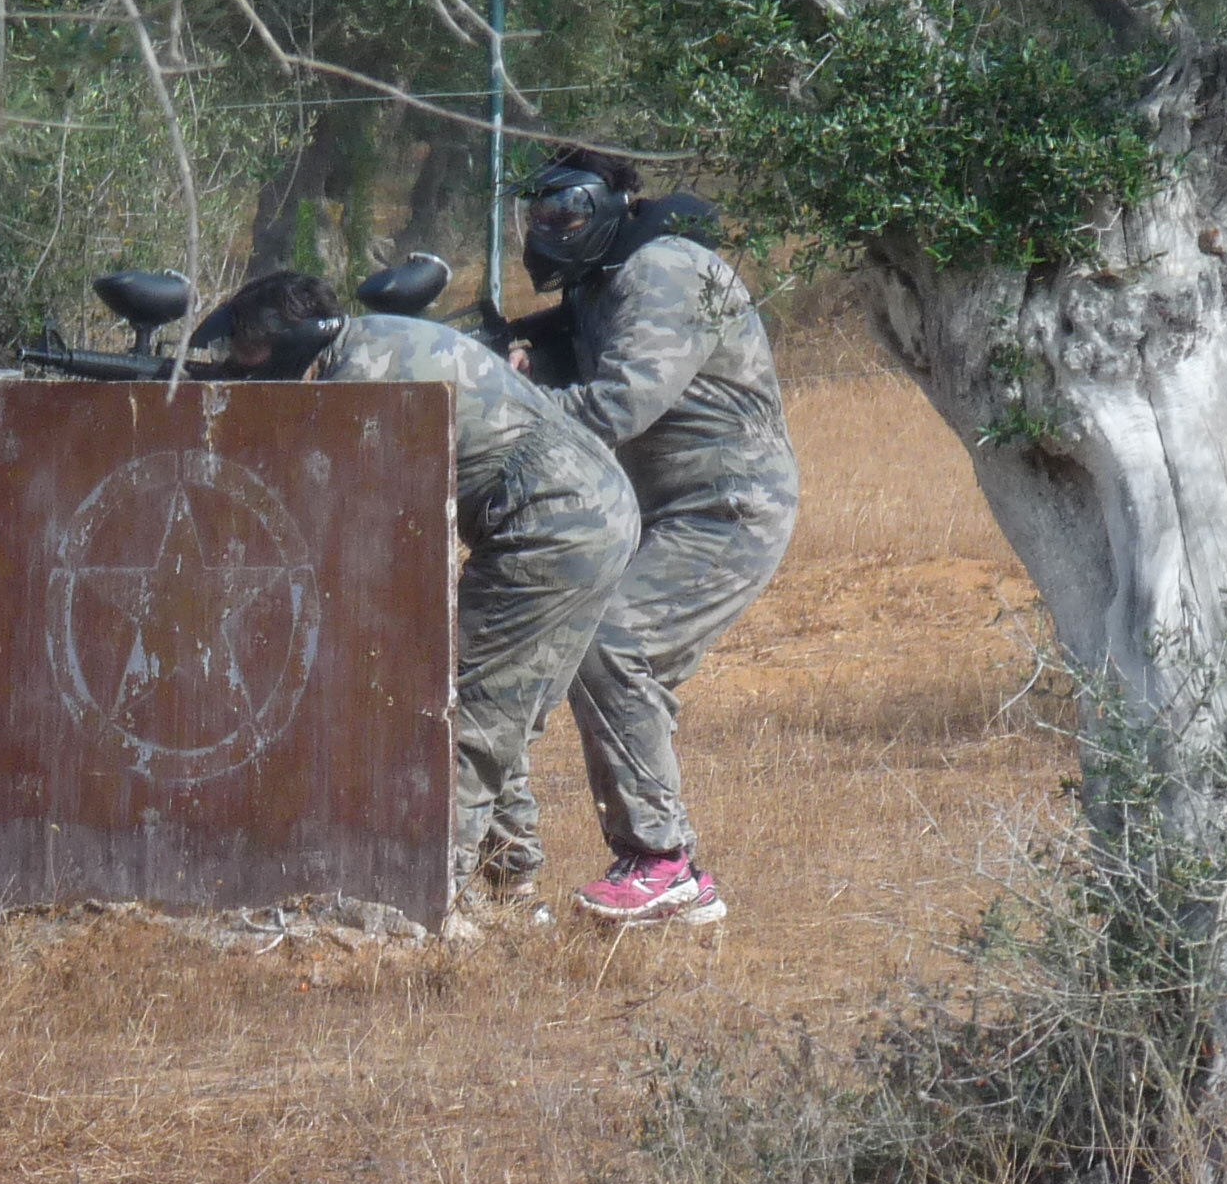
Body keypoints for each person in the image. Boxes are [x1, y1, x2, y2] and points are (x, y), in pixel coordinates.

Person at [210, 270, 639, 922]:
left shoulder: (360, 382)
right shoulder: (367, 344)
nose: (242, 366)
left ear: (289, 341)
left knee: (459, 713)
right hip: (586, 512)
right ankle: (511, 882)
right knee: (499, 699)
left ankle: (421, 903)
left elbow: (346, 533)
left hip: (554, 525)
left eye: (249, 352)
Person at [511, 147, 801, 928]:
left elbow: (617, 406)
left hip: (727, 507)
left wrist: (499, 398)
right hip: (666, 508)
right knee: (615, 667)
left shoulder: (664, 271)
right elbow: (575, 352)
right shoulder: (605, 281)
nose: (549, 229)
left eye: (566, 212)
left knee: (613, 643)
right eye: (539, 214)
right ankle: (673, 876)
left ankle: (661, 861)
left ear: (612, 205)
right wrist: (521, 356)